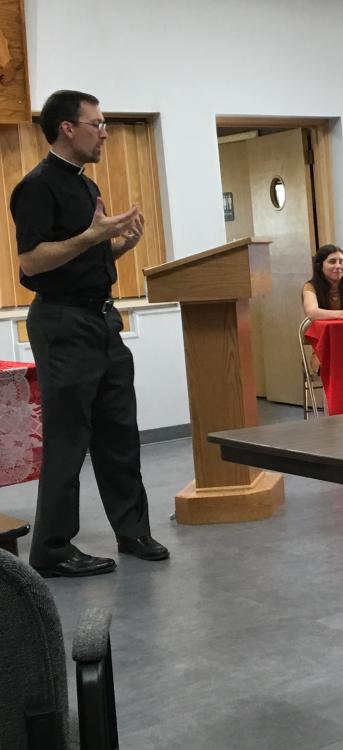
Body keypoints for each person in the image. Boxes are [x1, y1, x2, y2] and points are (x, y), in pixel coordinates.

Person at [10, 90, 169, 577]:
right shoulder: (36, 187)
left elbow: (80, 261)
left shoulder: (84, 185)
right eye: (97, 123)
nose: (105, 132)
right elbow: (32, 263)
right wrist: (93, 237)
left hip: (101, 321)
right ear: (67, 128)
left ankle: (133, 530)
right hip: (63, 323)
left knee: (119, 432)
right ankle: (53, 549)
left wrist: (118, 246)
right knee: (68, 438)